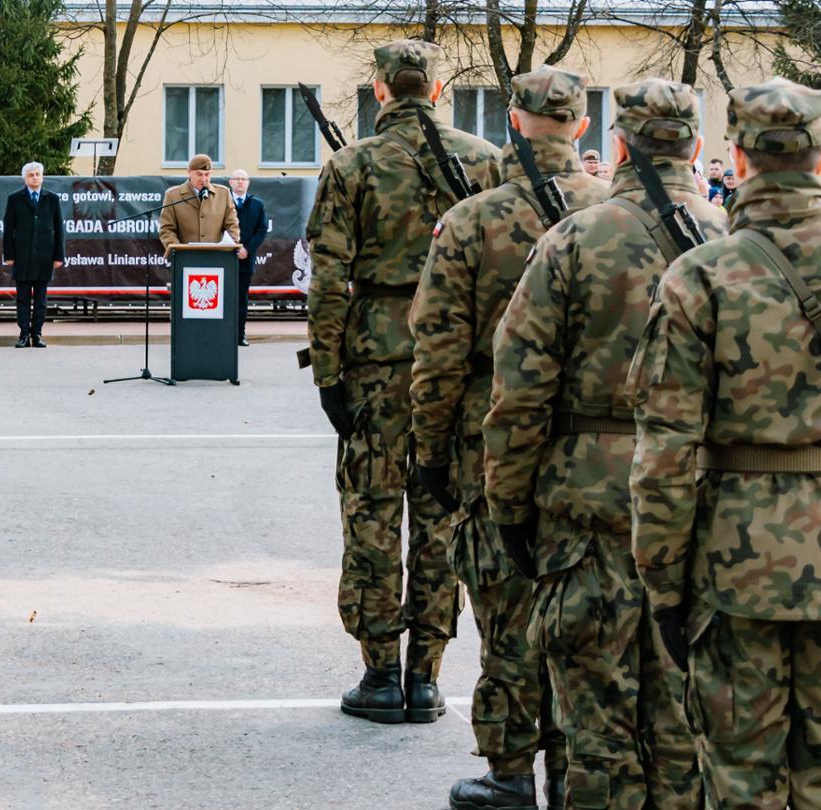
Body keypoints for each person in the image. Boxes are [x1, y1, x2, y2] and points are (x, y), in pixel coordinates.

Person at [631, 77, 821, 809]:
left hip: (733, 567)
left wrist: (662, 583)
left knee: (740, 776)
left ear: (738, 160)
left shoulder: (700, 274)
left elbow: (665, 452)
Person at [485, 78, 728, 810]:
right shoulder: (732, 240)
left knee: (596, 733)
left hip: (586, 514)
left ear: (618, 146)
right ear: (696, 146)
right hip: (701, 510)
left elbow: (520, 389)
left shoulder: (574, 239)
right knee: (686, 731)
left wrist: (509, 508)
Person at [408, 66, 609, 810]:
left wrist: (431, 454)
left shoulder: (472, 220)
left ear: (513, 122)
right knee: (588, 619)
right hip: (591, 452)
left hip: (487, 445)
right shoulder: (616, 214)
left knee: (506, 613)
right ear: (581, 126)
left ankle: (511, 772)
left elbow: (437, 352)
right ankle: (578, 774)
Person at [307, 38, 499, 726]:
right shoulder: (484, 162)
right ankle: (426, 676)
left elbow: (328, 280)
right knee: (442, 513)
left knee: (373, 513)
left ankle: (381, 673)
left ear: (381, 91)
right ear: (438, 90)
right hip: (458, 360)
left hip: (375, 365)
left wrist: (327, 372)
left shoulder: (352, 165)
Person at [2, 161, 64, 348]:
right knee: (22, 298)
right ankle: (23, 334)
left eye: (38, 174)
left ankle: (37, 334)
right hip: (22, 257)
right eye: (31, 175)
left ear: (42, 177)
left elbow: (59, 229)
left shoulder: (52, 199)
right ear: (25, 179)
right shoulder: (15, 199)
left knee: (40, 300)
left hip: (45, 257)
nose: (35, 178)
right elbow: (8, 229)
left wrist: (59, 256)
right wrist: (9, 255)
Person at [158, 153, 238, 251]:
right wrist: (178, 252)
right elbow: (167, 230)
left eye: (207, 174)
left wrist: (228, 249)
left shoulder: (223, 194)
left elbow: (232, 226)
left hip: (217, 256)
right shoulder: (173, 195)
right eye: (199, 174)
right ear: (189, 172)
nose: (204, 179)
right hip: (186, 256)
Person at [229, 168, 270, 345]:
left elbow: (262, 230)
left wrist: (246, 249)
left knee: (241, 299)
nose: (240, 182)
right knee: (223, 298)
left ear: (248, 183)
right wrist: (230, 247)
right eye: (237, 178)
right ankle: (223, 335)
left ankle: (240, 335)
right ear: (230, 182)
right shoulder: (222, 203)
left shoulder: (257, 205)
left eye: (243, 179)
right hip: (224, 258)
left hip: (245, 260)